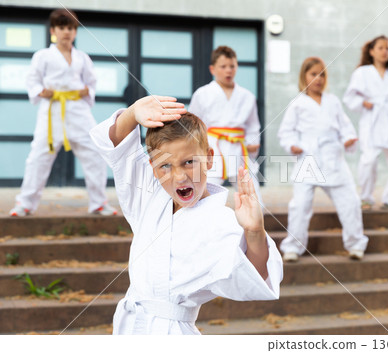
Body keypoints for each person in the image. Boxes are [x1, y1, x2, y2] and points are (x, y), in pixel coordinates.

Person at [89, 95, 283, 335]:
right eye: (166, 166)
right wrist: (133, 112)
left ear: (210, 158)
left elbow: (255, 276)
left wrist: (254, 232)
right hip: (128, 329)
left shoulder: (220, 221)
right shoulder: (148, 194)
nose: (179, 176)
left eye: (189, 162)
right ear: (153, 168)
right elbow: (116, 146)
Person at [9, 8, 116, 217]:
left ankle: (99, 202)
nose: (66, 32)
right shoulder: (43, 56)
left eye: (70, 28)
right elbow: (32, 80)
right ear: (53, 30)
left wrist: (88, 90)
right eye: (61, 27)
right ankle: (25, 204)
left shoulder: (82, 58)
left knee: (94, 154)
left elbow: (92, 82)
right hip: (52, 110)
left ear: (75, 31)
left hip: (78, 110)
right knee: (38, 157)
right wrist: (41, 91)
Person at [278, 57, 368, 262]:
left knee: (351, 202)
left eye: (322, 74)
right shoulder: (298, 103)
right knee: (300, 205)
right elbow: (286, 132)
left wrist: (348, 139)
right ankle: (293, 247)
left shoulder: (333, 101)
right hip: (307, 160)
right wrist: (292, 144)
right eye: (313, 74)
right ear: (304, 77)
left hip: (333, 159)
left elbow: (345, 127)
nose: (318, 79)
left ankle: (356, 244)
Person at [189, 46, 264, 205]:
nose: (228, 71)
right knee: (206, 195)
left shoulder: (247, 96)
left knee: (254, 197)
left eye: (232, 66)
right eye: (223, 67)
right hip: (213, 148)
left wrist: (253, 143)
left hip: (239, 149)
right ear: (212, 69)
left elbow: (252, 126)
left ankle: (253, 227)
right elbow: (193, 124)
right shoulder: (202, 94)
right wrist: (197, 149)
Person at [343, 35, 388, 211]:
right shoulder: (362, 73)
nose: (384, 51)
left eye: (387, 48)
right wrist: (362, 103)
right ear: (371, 51)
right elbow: (349, 97)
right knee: (369, 160)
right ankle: (365, 197)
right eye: (380, 48)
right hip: (372, 119)